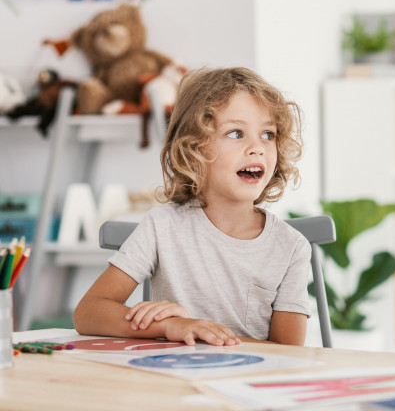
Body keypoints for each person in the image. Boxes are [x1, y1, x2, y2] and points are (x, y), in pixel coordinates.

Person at [74, 67, 310, 346]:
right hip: (175, 383)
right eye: (236, 133)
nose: (257, 147)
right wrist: (168, 326)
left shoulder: (292, 247)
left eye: (268, 135)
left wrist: (210, 338)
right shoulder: (163, 226)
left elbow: (290, 354)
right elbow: (87, 313)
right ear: (193, 149)